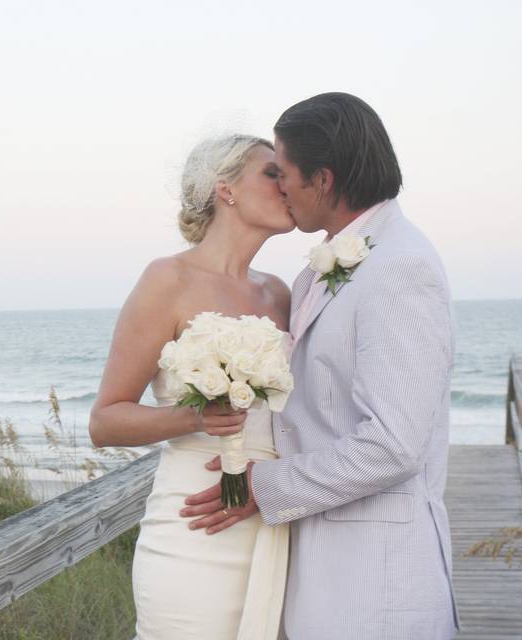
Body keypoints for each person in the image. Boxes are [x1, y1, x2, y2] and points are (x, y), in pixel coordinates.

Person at [180, 92, 460, 639]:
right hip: (320, 570)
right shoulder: (321, 270)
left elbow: (394, 443)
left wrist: (266, 485)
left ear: (323, 180)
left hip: (377, 585)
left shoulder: (401, 265)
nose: (279, 186)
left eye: (283, 172)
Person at [89, 133, 294, 639]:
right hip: (195, 526)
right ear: (225, 189)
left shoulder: (280, 292)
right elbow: (105, 419)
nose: (288, 182)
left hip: (272, 519)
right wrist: (195, 417)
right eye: (272, 172)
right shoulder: (168, 280)